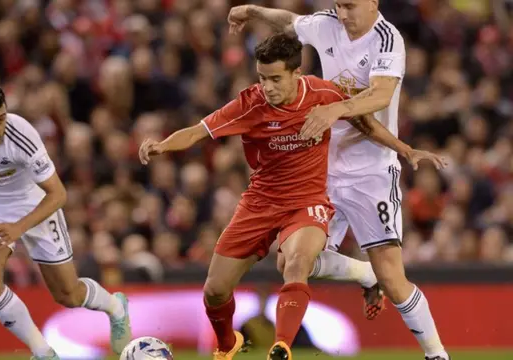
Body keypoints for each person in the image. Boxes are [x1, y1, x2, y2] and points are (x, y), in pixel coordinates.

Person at [138, 34, 444, 360]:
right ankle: (228, 344)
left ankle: (281, 346)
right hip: (260, 202)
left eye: (275, 79)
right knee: (214, 291)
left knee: (297, 264)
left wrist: (405, 149)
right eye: (261, 78)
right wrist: (162, 145)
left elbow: (366, 124)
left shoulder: (323, 94)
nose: (267, 87)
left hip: (306, 202)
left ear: (296, 74)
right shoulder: (250, 104)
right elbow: (198, 131)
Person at [227, 1, 449, 360]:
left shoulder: (387, 39)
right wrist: (253, 11)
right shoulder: (329, 24)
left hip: (371, 172)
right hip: (324, 170)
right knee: (291, 263)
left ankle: (437, 354)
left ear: (373, 2)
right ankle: (364, 273)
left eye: (350, 6)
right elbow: (291, 21)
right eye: (338, 5)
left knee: (393, 279)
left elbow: (381, 94)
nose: (343, 14)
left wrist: (335, 108)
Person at [0, 83, 132, 360]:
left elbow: (58, 194)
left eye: (0, 118)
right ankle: (43, 352)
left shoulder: (21, 135)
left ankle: (115, 306)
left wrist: (18, 228)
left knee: (68, 295)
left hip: (35, 203)